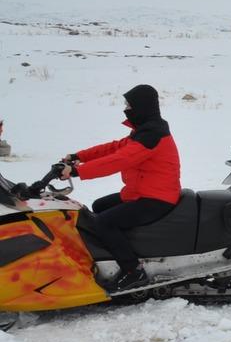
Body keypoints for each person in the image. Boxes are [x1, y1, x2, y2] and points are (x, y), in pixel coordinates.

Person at [61, 85, 181, 290]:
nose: (125, 109)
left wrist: (76, 171)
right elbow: (115, 148)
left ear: (141, 106)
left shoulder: (151, 135)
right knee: (99, 206)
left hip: (157, 199)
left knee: (103, 223)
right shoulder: (147, 130)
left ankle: (133, 271)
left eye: (129, 105)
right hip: (142, 193)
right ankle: (119, 252)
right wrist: (79, 156)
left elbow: (119, 160)